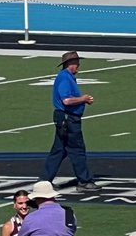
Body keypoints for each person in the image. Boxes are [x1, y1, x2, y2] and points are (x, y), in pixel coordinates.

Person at [42, 51, 101, 192]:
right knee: (77, 150)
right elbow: (67, 100)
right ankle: (84, 181)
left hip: (64, 118)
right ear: (70, 63)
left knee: (59, 150)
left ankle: (44, 181)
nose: (79, 65)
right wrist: (83, 99)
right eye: (77, 63)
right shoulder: (65, 78)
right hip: (69, 119)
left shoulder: (66, 77)